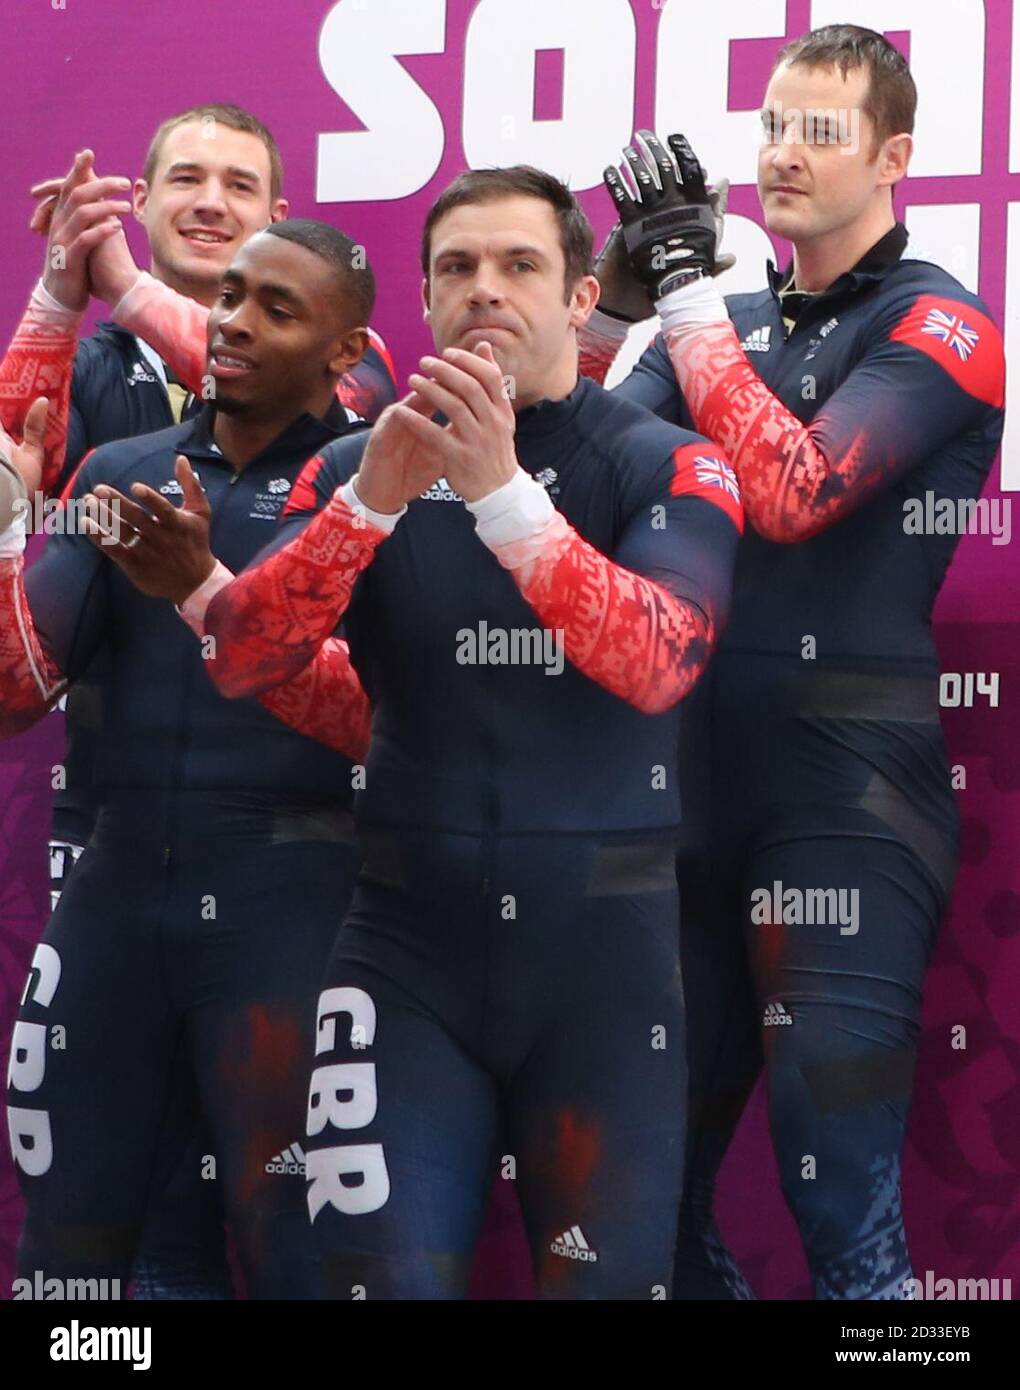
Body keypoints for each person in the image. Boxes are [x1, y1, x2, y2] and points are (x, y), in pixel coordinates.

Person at [182, 165, 744, 1299]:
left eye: (520, 264)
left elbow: (658, 660)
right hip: (403, 955)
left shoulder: (661, 458)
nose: (485, 289)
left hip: (607, 970)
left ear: (583, 298)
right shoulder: (353, 464)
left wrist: (503, 498)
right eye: (457, 268)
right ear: (425, 301)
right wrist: (367, 507)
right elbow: (241, 656)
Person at [580, 25, 1006, 1298]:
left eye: (819, 131)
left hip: (846, 811)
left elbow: (798, 488)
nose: (782, 152)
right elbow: (567, 464)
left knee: (847, 1225)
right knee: (642, 1213)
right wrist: (610, 305)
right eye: (771, 125)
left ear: (895, 157)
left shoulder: (949, 319)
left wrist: (687, 297)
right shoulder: (726, 318)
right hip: (678, 807)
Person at [0, 105, 396, 1297]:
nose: (233, 324)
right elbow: (16, 694)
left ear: (344, 354)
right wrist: (12, 525)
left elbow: (390, 714)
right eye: (230, 300)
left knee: (297, 1262)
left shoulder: (368, 479)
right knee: (73, 1270)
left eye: (276, 309)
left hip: (296, 904)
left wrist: (204, 591)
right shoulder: (120, 470)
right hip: (117, 894)